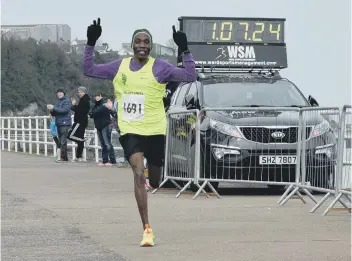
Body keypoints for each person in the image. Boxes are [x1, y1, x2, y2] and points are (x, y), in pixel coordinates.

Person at [83, 18, 196, 246]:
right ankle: (147, 228)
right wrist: (91, 42)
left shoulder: (161, 67)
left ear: (150, 46)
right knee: (137, 173)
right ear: (132, 45)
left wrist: (185, 50)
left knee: (153, 179)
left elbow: (190, 76)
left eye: (146, 42)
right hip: (130, 129)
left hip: (155, 130)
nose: (142, 45)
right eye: (138, 41)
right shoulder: (119, 67)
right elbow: (89, 69)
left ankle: (150, 183)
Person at [89, 93, 117, 166]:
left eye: (98, 96)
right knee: (102, 144)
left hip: (106, 125)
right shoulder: (95, 105)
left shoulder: (105, 104)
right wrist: (96, 112)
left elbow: (99, 111)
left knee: (107, 143)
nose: (97, 98)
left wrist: (96, 112)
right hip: (98, 126)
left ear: (101, 96)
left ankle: (112, 160)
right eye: (96, 96)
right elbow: (91, 114)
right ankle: (105, 160)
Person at [47, 89, 72, 163]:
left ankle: (63, 158)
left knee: (63, 141)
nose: (59, 94)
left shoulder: (67, 101)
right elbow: (55, 113)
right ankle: (64, 158)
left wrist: (54, 107)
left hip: (65, 123)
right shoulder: (58, 101)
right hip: (59, 123)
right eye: (58, 93)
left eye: (60, 92)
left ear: (63, 93)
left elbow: (64, 110)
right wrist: (51, 111)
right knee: (61, 141)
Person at [68, 86, 91, 162]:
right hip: (82, 121)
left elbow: (79, 110)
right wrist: (74, 105)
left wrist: (74, 105)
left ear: (84, 92)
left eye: (81, 92)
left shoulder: (84, 100)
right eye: (79, 92)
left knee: (70, 135)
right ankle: (79, 157)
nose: (79, 93)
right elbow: (80, 110)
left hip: (79, 121)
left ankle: (82, 141)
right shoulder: (84, 100)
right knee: (79, 138)